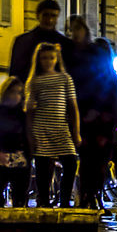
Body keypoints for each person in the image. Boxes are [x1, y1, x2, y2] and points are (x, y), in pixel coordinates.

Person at [63, 17, 117, 209]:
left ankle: (91, 194)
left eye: (76, 29)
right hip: (83, 117)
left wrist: (99, 111)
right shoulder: (69, 55)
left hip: (99, 119)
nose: (73, 34)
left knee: (98, 162)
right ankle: (87, 195)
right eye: (70, 30)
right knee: (86, 161)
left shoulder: (95, 54)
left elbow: (107, 84)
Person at [22, 42, 80, 206]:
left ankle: (64, 199)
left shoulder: (65, 79)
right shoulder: (35, 81)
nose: (48, 61)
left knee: (71, 161)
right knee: (43, 168)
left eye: (51, 58)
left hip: (60, 128)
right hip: (41, 127)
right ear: (39, 60)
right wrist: (30, 134)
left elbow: (72, 106)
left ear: (56, 59)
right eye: (44, 58)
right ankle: (43, 200)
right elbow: (30, 110)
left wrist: (76, 132)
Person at [0, 75, 30, 206]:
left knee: (20, 189)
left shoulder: (21, 114)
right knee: (2, 185)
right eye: (13, 92)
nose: (16, 96)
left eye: (19, 93)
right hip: (4, 154)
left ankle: (17, 210)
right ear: (6, 92)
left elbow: (26, 135)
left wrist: (28, 153)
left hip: (19, 154)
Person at [9, 0, 68, 81]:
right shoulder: (22, 41)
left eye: (53, 16)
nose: (50, 20)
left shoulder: (65, 43)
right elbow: (15, 74)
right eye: (46, 15)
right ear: (37, 16)